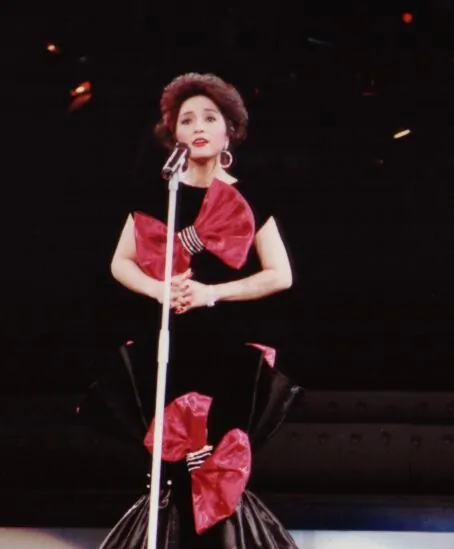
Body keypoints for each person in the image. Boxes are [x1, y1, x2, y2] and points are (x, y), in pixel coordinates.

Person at [89, 72, 302, 549]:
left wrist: (212, 293)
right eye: (188, 120)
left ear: (230, 131)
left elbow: (280, 275)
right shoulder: (156, 193)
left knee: (218, 465)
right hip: (167, 344)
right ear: (174, 134)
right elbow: (120, 263)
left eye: (210, 118)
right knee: (169, 466)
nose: (199, 126)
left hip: (228, 348)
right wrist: (159, 289)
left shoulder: (250, 195)